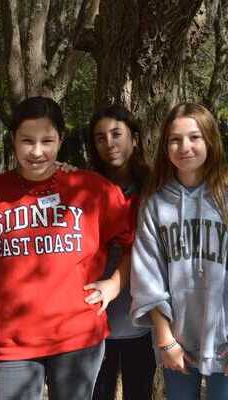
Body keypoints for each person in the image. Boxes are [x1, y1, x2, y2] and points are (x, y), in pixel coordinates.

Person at [0, 96, 136, 400]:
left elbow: (134, 244)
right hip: (15, 341)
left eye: (47, 140)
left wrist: (114, 285)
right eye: (27, 140)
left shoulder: (92, 189)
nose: (36, 151)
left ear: (61, 139)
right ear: (13, 140)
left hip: (77, 337)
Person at [130, 103, 228, 400]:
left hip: (224, 340)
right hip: (177, 341)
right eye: (175, 139)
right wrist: (165, 339)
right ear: (165, 146)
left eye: (194, 137)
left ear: (210, 140)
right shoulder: (155, 203)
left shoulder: (225, 196)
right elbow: (148, 274)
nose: (185, 146)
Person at [88, 105, 156, 400]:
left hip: (142, 320)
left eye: (117, 134)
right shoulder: (83, 187)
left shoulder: (155, 187)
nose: (109, 143)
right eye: (100, 138)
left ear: (134, 138)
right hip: (95, 317)